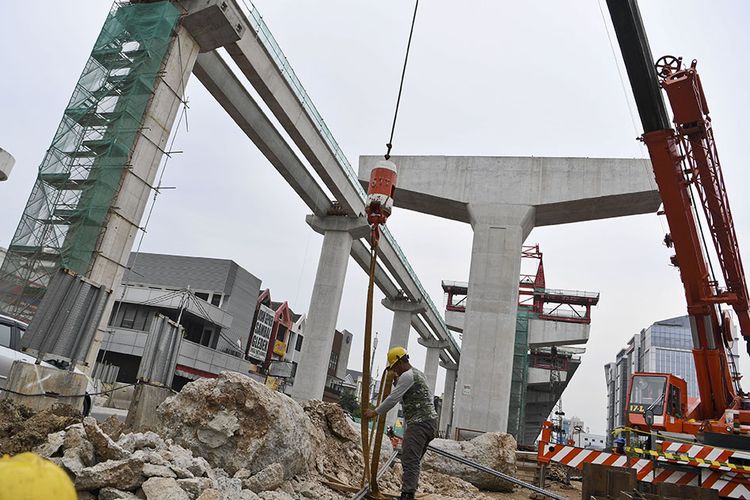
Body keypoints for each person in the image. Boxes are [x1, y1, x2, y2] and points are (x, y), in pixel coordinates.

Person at [364, 346, 438, 500]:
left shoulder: (407, 376)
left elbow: (392, 399)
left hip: (420, 423)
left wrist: (375, 412)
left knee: (410, 459)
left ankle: (407, 496)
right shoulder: (418, 374)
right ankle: (408, 492)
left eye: (395, 367)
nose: (395, 371)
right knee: (413, 461)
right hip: (429, 423)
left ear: (399, 361)